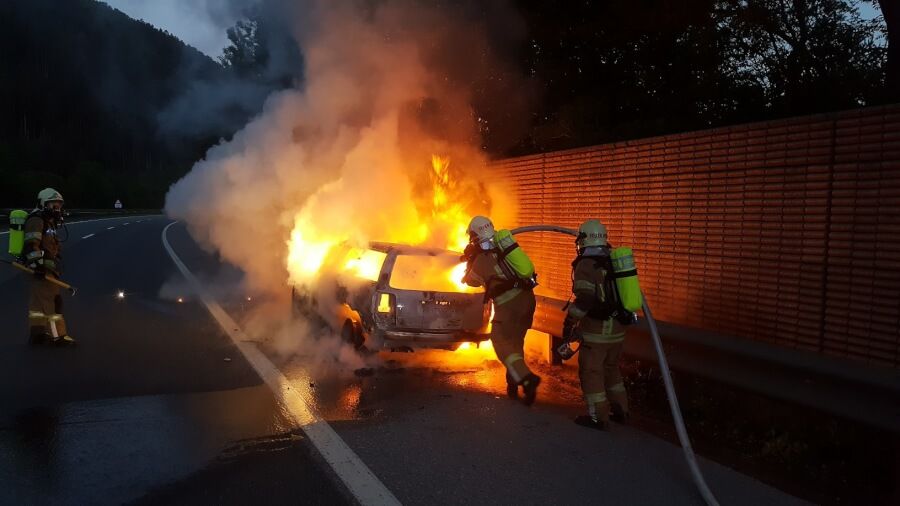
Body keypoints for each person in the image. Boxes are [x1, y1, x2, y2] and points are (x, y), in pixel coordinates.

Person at [462, 215, 541, 405]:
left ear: (475, 235)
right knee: (515, 343)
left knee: (499, 340)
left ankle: (527, 379)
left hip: (508, 305)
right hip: (527, 300)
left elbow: (471, 281)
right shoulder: (506, 246)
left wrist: (471, 259)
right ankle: (514, 384)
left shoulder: (481, 260)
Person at [563, 219, 630, 430]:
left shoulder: (585, 265)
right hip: (618, 329)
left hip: (597, 332)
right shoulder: (613, 259)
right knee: (611, 370)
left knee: (591, 372)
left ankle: (598, 417)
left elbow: (584, 300)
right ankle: (621, 410)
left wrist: (570, 321)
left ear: (584, 239)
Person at [23, 188, 75, 345]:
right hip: (42, 270)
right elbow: (31, 245)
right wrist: (37, 266)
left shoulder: (48, 220)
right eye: (54, 204)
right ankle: (58, 336)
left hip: (46, 268)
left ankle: (37, 334)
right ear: (43, 204)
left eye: (59, 205)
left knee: (37, 304)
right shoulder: (37, 220)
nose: (57, 208)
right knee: (53, 302)